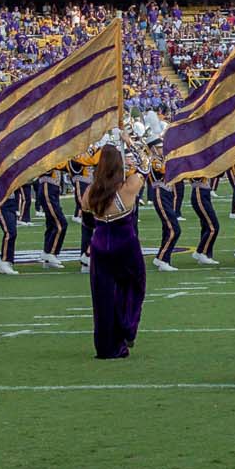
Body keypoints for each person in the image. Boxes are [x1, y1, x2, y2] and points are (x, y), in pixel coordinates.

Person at [82, 145, 147, 360]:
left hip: (100, 244)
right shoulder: (129, 187)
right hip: (125, 243)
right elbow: (145, 167)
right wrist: (131, 146)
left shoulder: (91, 191)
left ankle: (106, 347)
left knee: (102, 298)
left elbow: (86, 216)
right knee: (134, 286)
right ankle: (128, 327)